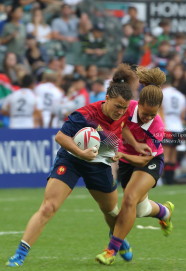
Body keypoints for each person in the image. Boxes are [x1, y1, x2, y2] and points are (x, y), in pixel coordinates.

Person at [6, 64, 152, 267]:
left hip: (100, 164)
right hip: (72, 160)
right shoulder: (86, 114)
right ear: (107, 98)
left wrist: (134, 145)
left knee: (111, 211)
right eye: (117, 106)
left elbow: (127, 126)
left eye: (124, 108)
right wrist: (81, 152)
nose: (120, 111)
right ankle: (20, 253)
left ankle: (116, 237)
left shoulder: (128, 111)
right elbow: (60, 136)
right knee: (49, 207)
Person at [96, 67, 175, 265]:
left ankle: (111, 251)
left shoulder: (157, 126)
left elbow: (144, 160)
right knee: (139, 210)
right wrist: (131, 145)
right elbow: (122, 128)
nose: (148, 118)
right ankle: (164, 212)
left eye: (153, 114)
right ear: (138, 104)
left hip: (149, 162)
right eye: (145, 113)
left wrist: (124, 152)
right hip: (126, 160)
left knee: (129, 199)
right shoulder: (128, 107)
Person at [161, 82, 186, 184]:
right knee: (173, 155)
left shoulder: (163, 93)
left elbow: (160, 109)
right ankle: (171, 180)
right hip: (178, 127)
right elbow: (183, 115)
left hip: (167, 126)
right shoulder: (181, 96)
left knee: (166, 154)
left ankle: (167, 180)